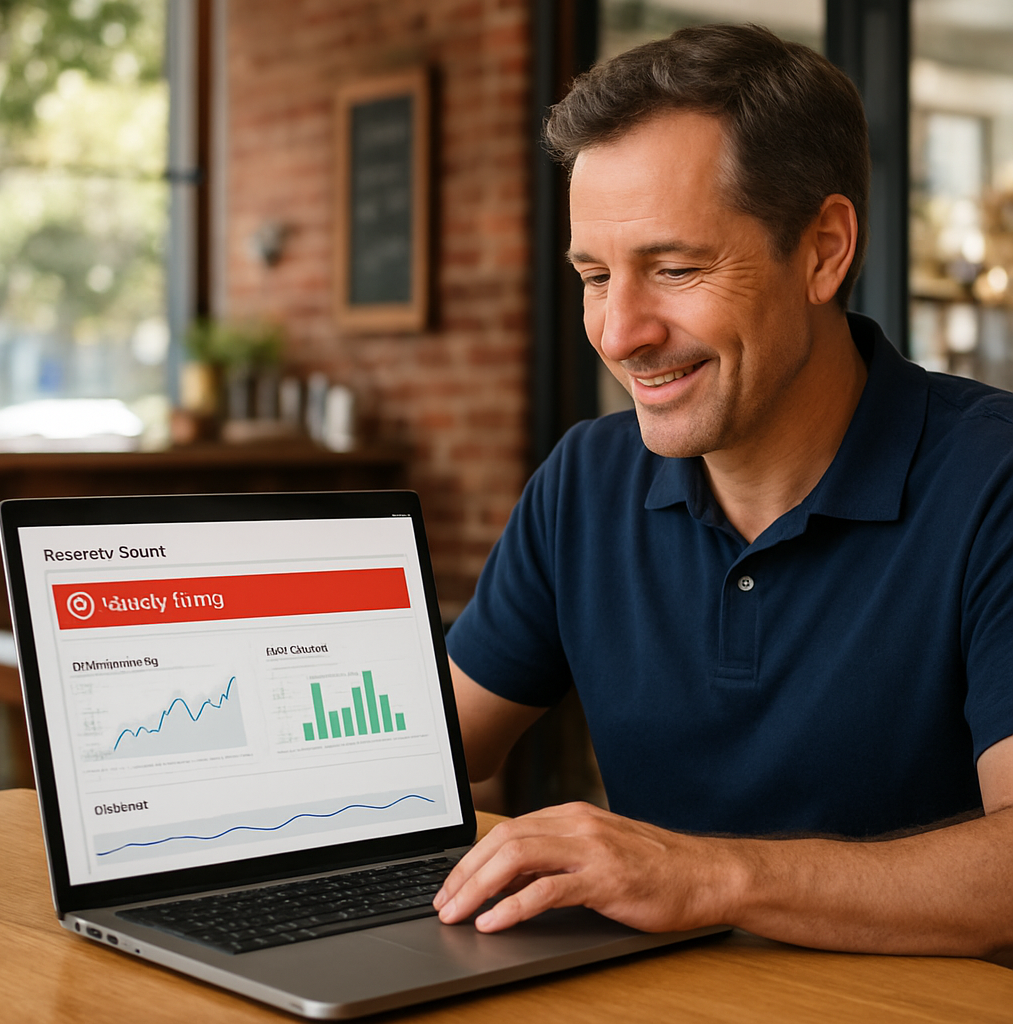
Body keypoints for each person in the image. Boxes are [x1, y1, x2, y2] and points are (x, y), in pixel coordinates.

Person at [432, 24, 1013, 957]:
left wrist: (699, 876)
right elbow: (416, 776)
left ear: (824, 250)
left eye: (675, 269)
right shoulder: (586, 481)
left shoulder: (996, 481)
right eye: (594, 276)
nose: (620, 333)